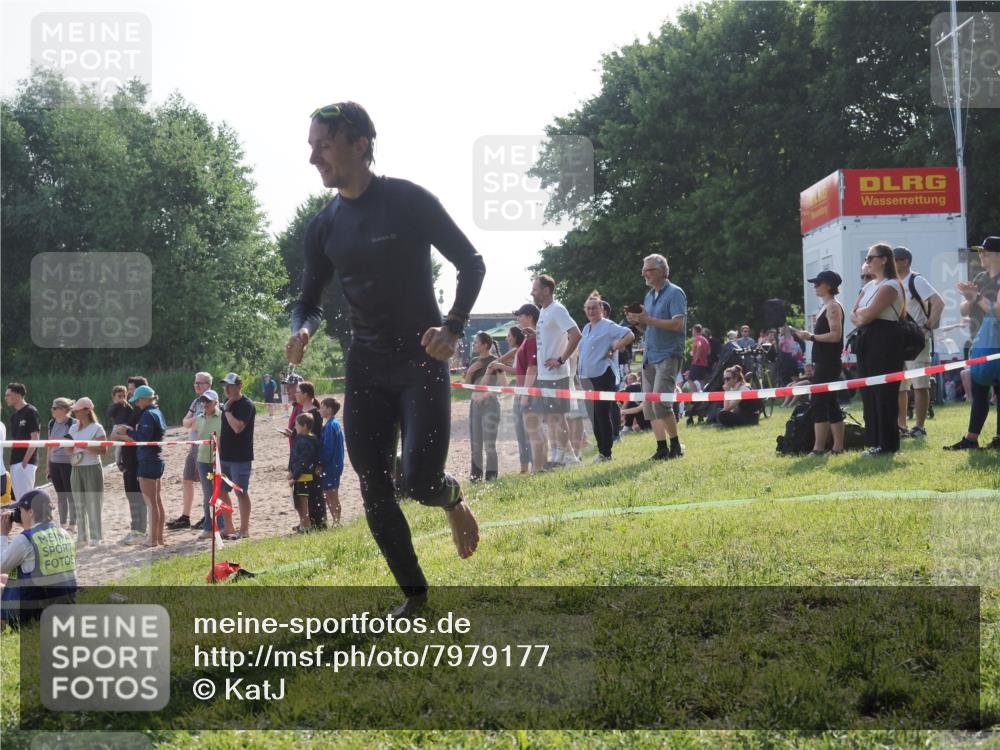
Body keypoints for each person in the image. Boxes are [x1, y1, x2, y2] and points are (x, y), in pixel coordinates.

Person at [287, 100, 484, 615]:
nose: (313, 158)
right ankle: (415, 596)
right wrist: (302, 329)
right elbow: (308, 302)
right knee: (373, 484)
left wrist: (453, 327)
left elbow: (471, 264)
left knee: (419, 481)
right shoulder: (323, 226)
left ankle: (452, 499)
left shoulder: (408, 200)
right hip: (368, 365)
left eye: (323, 146)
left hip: (421, 360)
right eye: (311, 147)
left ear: (360, 144)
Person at [626, 253, 687, 460]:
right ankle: (661, 448)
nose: (643, 274)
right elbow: (648, 328)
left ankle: (676, 445)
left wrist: (648, 319)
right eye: (643, 270)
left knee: (661, 404)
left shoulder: (675, 293)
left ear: (661, 271)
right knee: (650, 407)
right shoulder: (649, 296)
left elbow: (677, 325)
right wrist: (637, 322)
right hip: (649, 357)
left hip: (668, 355)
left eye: (648, 270)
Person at [850, 242, 905, 456]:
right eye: (866, 259)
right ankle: (874, 441)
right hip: (866, 340)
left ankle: (888, 443)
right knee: (868, 391)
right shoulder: (869, 286)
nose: (867, 262)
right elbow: (855, 314)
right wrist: (863, 315)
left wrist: (863, 314)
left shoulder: (891, 285)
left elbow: (869, 314)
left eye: (870, 258)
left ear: (883, 259)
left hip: (886, 341)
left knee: (884, 393)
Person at [945, 236, 1000, 451]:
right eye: (980, 252)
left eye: (985, 252)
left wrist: (976, 296)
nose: (981, 256)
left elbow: (997, 312)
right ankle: (971, 439)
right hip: (980, 342)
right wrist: (969, 298)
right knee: (979, 392)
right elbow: (963, 310)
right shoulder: (980, 277)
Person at [890, 247, 945, 439]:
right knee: (899, 385)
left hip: (917, 340)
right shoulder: (892, 282)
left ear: (905, 261)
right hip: (898, 340)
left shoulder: (916, 280)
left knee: (920, 384)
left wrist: (926, 327)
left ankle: (920, 427)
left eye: (895, 259)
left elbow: (939, 302)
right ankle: (901, 426)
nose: (892, 263)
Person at [1, 489, 77, 625]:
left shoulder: (25, 539)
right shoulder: (64, 534)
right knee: (4, 578)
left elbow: (1, 565)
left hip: (33, 612)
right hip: (65, 603)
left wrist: (3, 534)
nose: (17, 514)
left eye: (19, 510)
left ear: (30, 512)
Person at [530, 274, 583, 468]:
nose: (532, 293)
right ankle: (560, 455)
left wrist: (561, 359)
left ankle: (570, 458)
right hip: (545, 374)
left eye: (535, 289)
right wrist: (534, 334)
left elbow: (576, 334)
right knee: (552, 418)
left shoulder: (557, 309)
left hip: (556, 374)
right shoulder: (543, 311)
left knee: (558, 417)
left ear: (546, 290)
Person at [793, 270, 846, 455]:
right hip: (825, 361)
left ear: (829, 286)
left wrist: (811, 337)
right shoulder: (827, 306)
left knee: (819, 403)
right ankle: (837, 447)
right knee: (830, 403)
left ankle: (818, 448)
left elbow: (836, 335)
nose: (814, 286)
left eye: (818, 283)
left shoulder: (833, 307)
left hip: (828, 362)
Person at [579, 293, 634, 461]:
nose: (591, 311)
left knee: (602, 414)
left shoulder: (608, 325)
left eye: (594, 308)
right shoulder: (586, 328)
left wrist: (614, 347)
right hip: (586, 378)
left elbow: (629, 335)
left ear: (601, 309)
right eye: (588, 308)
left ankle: (606, 453)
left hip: (602, 375)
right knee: (593, 416)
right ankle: (601, 449)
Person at [111, 385, 167, 546]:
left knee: (151, 502)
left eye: (137, 400)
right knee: (156, 501)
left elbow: (143, 437)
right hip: (157, 458)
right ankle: (159, 538)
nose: (136, 404)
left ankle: (152, 540)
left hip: (147, 460)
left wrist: (126, 433)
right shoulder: (157, 412)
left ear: (144, 399)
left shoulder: (148, 414)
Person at [169, 372, 213, 531]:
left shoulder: (211, 401)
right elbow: (185, 422)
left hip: (205, 446)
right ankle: (185, 516)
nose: (197, 386)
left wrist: (193, 422)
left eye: (200, 383)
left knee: (206, 483)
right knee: (187, 479)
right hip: (193, 445)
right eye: (195, 383)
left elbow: (200, 424)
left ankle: (208, 515)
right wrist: (194, 420)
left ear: (208, 385)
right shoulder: (196, 402)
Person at [486, 326, 531, 474]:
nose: (507, 338)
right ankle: (524, 468)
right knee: (520, 432)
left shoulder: (522, 350)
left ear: (516, 337)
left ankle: (533, 466)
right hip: (518, 392)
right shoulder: (517, 350)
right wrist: (497, 363)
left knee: (527, 432)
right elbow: (499, 360)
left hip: (524, 392)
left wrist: (501, 366)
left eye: (509, 336)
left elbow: (519, 371)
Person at [217, 373, 255, 540]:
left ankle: (244, 529)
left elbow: (237, 427)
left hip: (241, 456)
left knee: (241, 492)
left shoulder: (246, 405)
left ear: (239, 386)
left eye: (230, 385)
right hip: (225, 455)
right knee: (221, 491)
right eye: (225, 385)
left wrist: (226, 410)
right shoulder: (227, 403)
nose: (226, 389)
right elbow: (224, 429)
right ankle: (229, 527)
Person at [65, 398, 107, 547]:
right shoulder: (73, 428)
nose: (75, 412)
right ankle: (82, 537)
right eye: (75, 410)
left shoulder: (97, 428)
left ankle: (96, 536)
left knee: (93, 503)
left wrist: (85, 446)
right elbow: (69, 450)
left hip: (92, 467)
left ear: (87, 410)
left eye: (78, 410)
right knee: (78, 503)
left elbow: (103, 450)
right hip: (76, 468)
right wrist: (68, 445)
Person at [108, 380, 146, 545]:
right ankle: (135, 529)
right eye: (126, 391)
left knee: (139, 496)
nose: (128, 394)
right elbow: (115, 433)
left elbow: (133, 435)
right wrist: (119, 435)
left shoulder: (139, 411)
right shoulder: (126, 409)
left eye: (130, 390)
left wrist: (120, 435)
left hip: (138, 459)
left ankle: (140, 531)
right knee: (132, 496)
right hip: (128, 459)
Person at [464, 331, 502, 481]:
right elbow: (467, 386)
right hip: (475, 406)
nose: (474, 344)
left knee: (489, 445)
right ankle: (476, 477)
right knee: (475, 445)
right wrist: (470, 372)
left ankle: (491, 477)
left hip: (490, 405)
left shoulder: (495, 361)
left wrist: (485, 395)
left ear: (485, 345)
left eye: (476, 342)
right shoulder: (474, 360)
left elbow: (501, 385)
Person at [291, 381, 325, 528]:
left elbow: (316, 440)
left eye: (298, 392)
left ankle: (318, 522)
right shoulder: (300, 411)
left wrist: (319, 463)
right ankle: (305, 522)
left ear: (305, 394)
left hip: (310, 461)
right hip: (300, 457)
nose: (295, 394)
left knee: (313, 492)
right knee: (301, 495)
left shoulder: (315, 413)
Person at [194, 389, 223, 540]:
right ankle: (208, 527)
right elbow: (188, 427)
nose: (205, 404)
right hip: (203, 460)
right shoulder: (199, 418)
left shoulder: (222, 416)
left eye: (208, 401)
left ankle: (222, 526)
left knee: (220, 493)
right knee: (207, 495)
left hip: (219, 460)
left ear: (216, 402)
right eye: (203, 401)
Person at [45, 398, 76, 533]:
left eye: (54, 408)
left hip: (68, 463)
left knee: (71, 495)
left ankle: (72, 525)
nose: (51, 410)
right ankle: (63, 525)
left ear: (63, 410)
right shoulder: (51, 423)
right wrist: (48, 465)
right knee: (61, 495)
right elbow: (49, 446)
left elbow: (76, 445)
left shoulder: (73, 423)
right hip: (54, 463)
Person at [4, 384, 40, 501]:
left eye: (8, 395)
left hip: (26, 463)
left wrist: (25, 461)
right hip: (15, 462)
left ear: (18, 395)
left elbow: (35, 438)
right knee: (19, 500)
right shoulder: (14, 416)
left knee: (26, 500)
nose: (6, 398)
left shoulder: (31, 411)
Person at [287, 413, 322, 533]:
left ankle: (306, 526)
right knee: (297, 502)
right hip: (298, 475)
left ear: (305, 426)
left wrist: (294, 477)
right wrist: (290, 470)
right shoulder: (300, 438)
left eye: (297, 425)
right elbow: (294, 455)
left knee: (303, 503)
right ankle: (303, 524)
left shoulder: (308, 441)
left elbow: (303, 462)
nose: (295, 427)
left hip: (304, 477)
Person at [318, 397, 345, 526]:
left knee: (331, 494)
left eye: (322, 407)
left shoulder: (330, 426)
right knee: (330, 494)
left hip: (331, 465)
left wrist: (321, 463)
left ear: (329, 409)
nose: (320, 410)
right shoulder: (335, 424)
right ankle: (336, 521)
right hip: (336, 463)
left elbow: (328, 448)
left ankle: (336, 521)